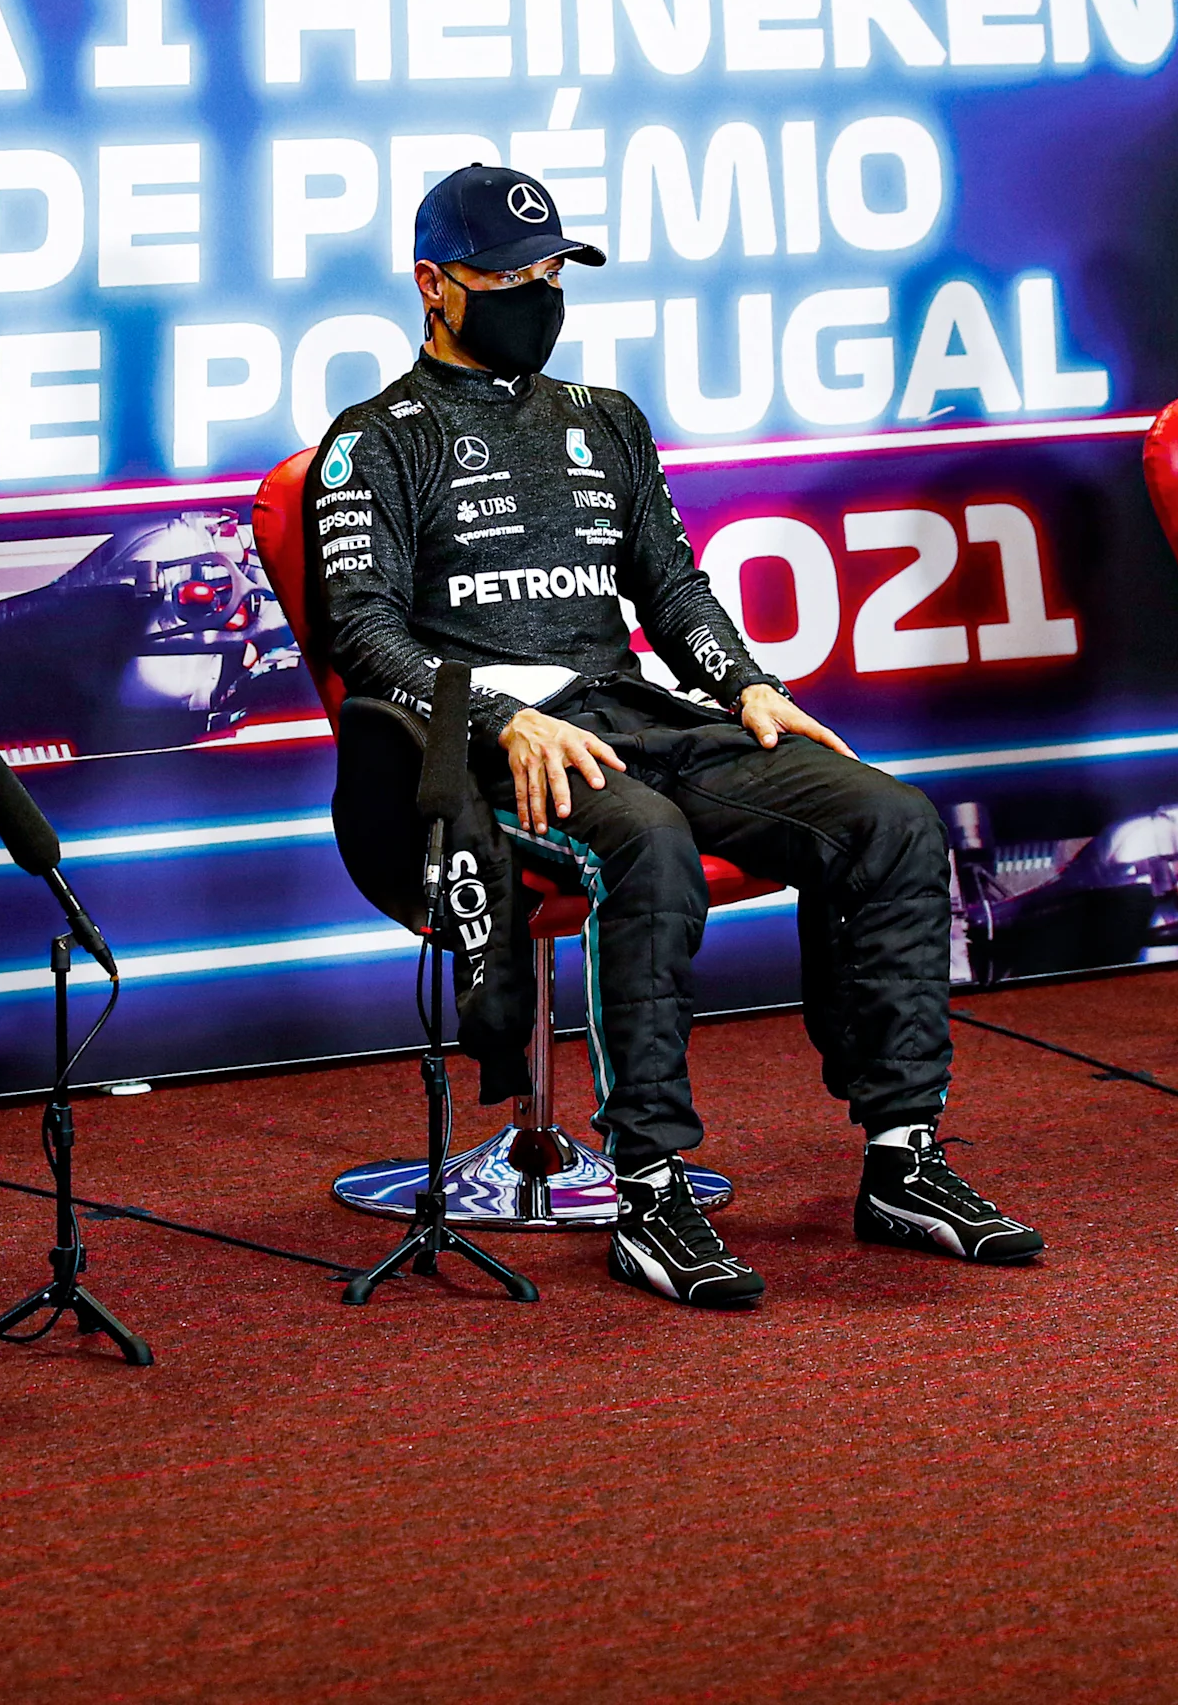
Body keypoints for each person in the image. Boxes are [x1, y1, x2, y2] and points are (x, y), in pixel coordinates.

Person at [314, 164, 1044, 1311]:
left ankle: (901, 1156)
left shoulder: (603, 419)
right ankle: (650, 1185)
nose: (536, 294)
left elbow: (673, 589)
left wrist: (746, 684)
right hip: (490, 749)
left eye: (551, 271)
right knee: (645, 844)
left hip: (635, 713)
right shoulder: (373, 441)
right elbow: (362, 634)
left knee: (888, 820)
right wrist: (505, 719)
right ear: (433, 285)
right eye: (508, 276)